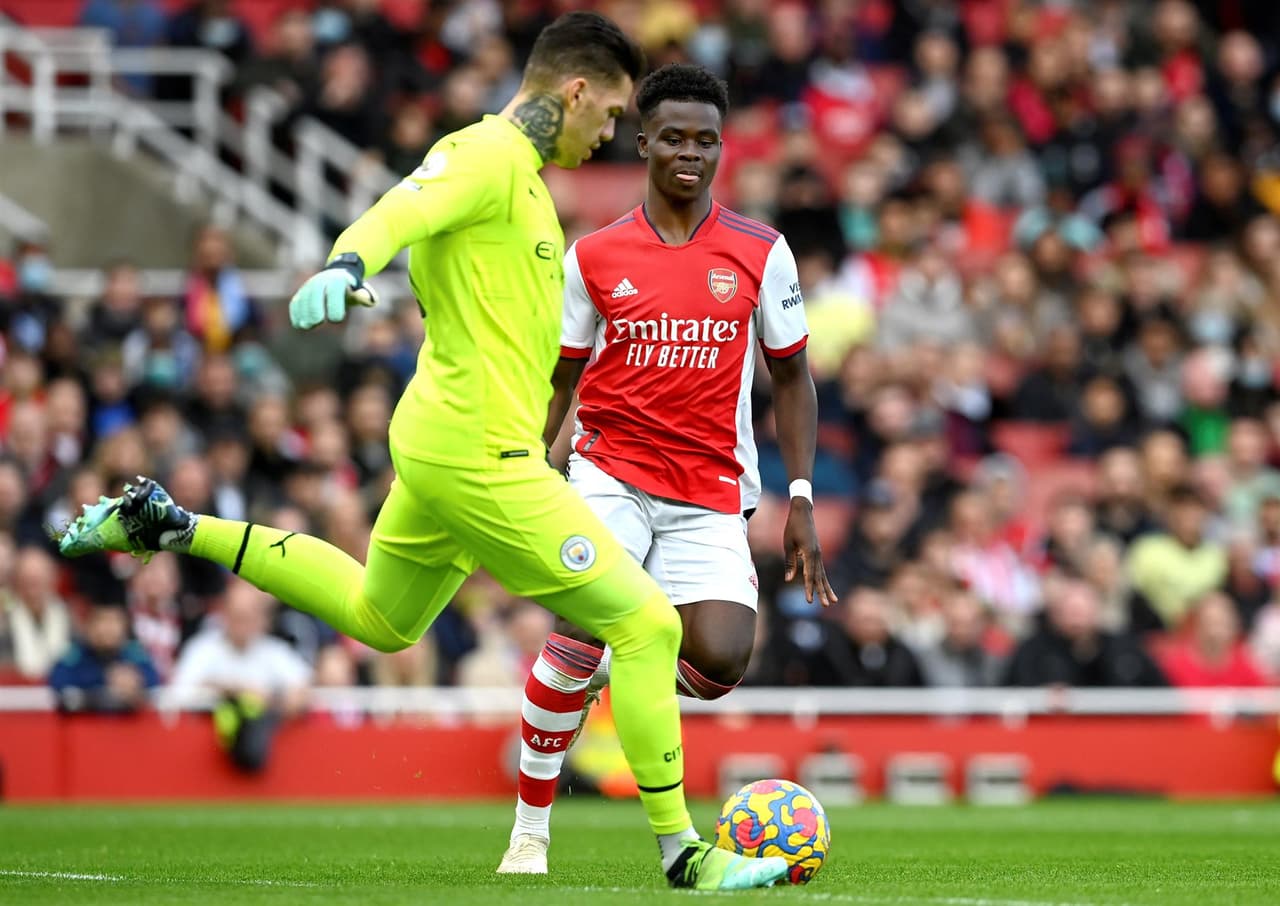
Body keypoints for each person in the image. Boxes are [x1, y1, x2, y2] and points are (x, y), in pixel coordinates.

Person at [54, 12, 785, 891]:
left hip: (451, 443)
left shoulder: (524, 181)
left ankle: (171, 527)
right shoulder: (485, 156)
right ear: (575, 90)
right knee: (647, 625)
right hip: (478, 454)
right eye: (610, 113)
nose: (609, 136)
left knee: (381, 618)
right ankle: (683, 855)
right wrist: (346, 264)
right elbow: (403, 206)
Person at [498, 63, 835, 875]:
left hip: (711, 490)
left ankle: (613, 662)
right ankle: (529, 833)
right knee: (581, 627)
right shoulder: (593, 256)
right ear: (642, 140)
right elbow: (561, 380)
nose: (691, 152)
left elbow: (793, 376)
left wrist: (800, 496)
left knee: (720, 661)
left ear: (722, 149)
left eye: (706, 141)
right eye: (674, 137)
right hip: (607, 473)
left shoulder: (763, 251)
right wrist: (527, 467)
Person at [49, 601, 159, 713]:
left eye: (114, 621)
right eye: (102, 620)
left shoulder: (134, 653)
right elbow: (58, 682)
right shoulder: (75, 654)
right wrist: (105, 680)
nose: (108, 628)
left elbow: (154, 680)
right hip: (86, 721)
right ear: (88, 626)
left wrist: (136, 681)